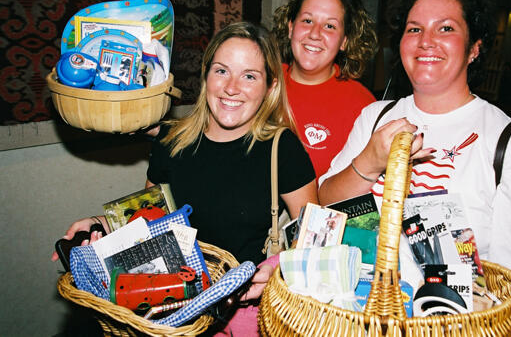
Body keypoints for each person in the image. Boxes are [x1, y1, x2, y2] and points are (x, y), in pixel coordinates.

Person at [52, 21, 318, 335]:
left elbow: (317, 241)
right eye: (221, 71)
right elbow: (150, 222)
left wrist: (277, 274)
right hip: (171, 316)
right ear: (206, 76)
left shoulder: (281, 149)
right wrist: (102, 223)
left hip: (244, 320)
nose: (231, 87)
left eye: (249, 76)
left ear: (271, 86)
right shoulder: (170, 141)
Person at [318, 0, 511, 323]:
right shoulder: (375, 117)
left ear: (475, 48)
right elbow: (327, 204)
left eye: (446, 28)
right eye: (414, 29)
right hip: (355, 318)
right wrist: (370, 160)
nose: (426, 40)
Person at [271, 0, 378, 179]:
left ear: (345, 41)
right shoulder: (262, 82)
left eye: (329, 26)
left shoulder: (363, 106)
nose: (314, 34)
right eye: (307, 21)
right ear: (291, 27)